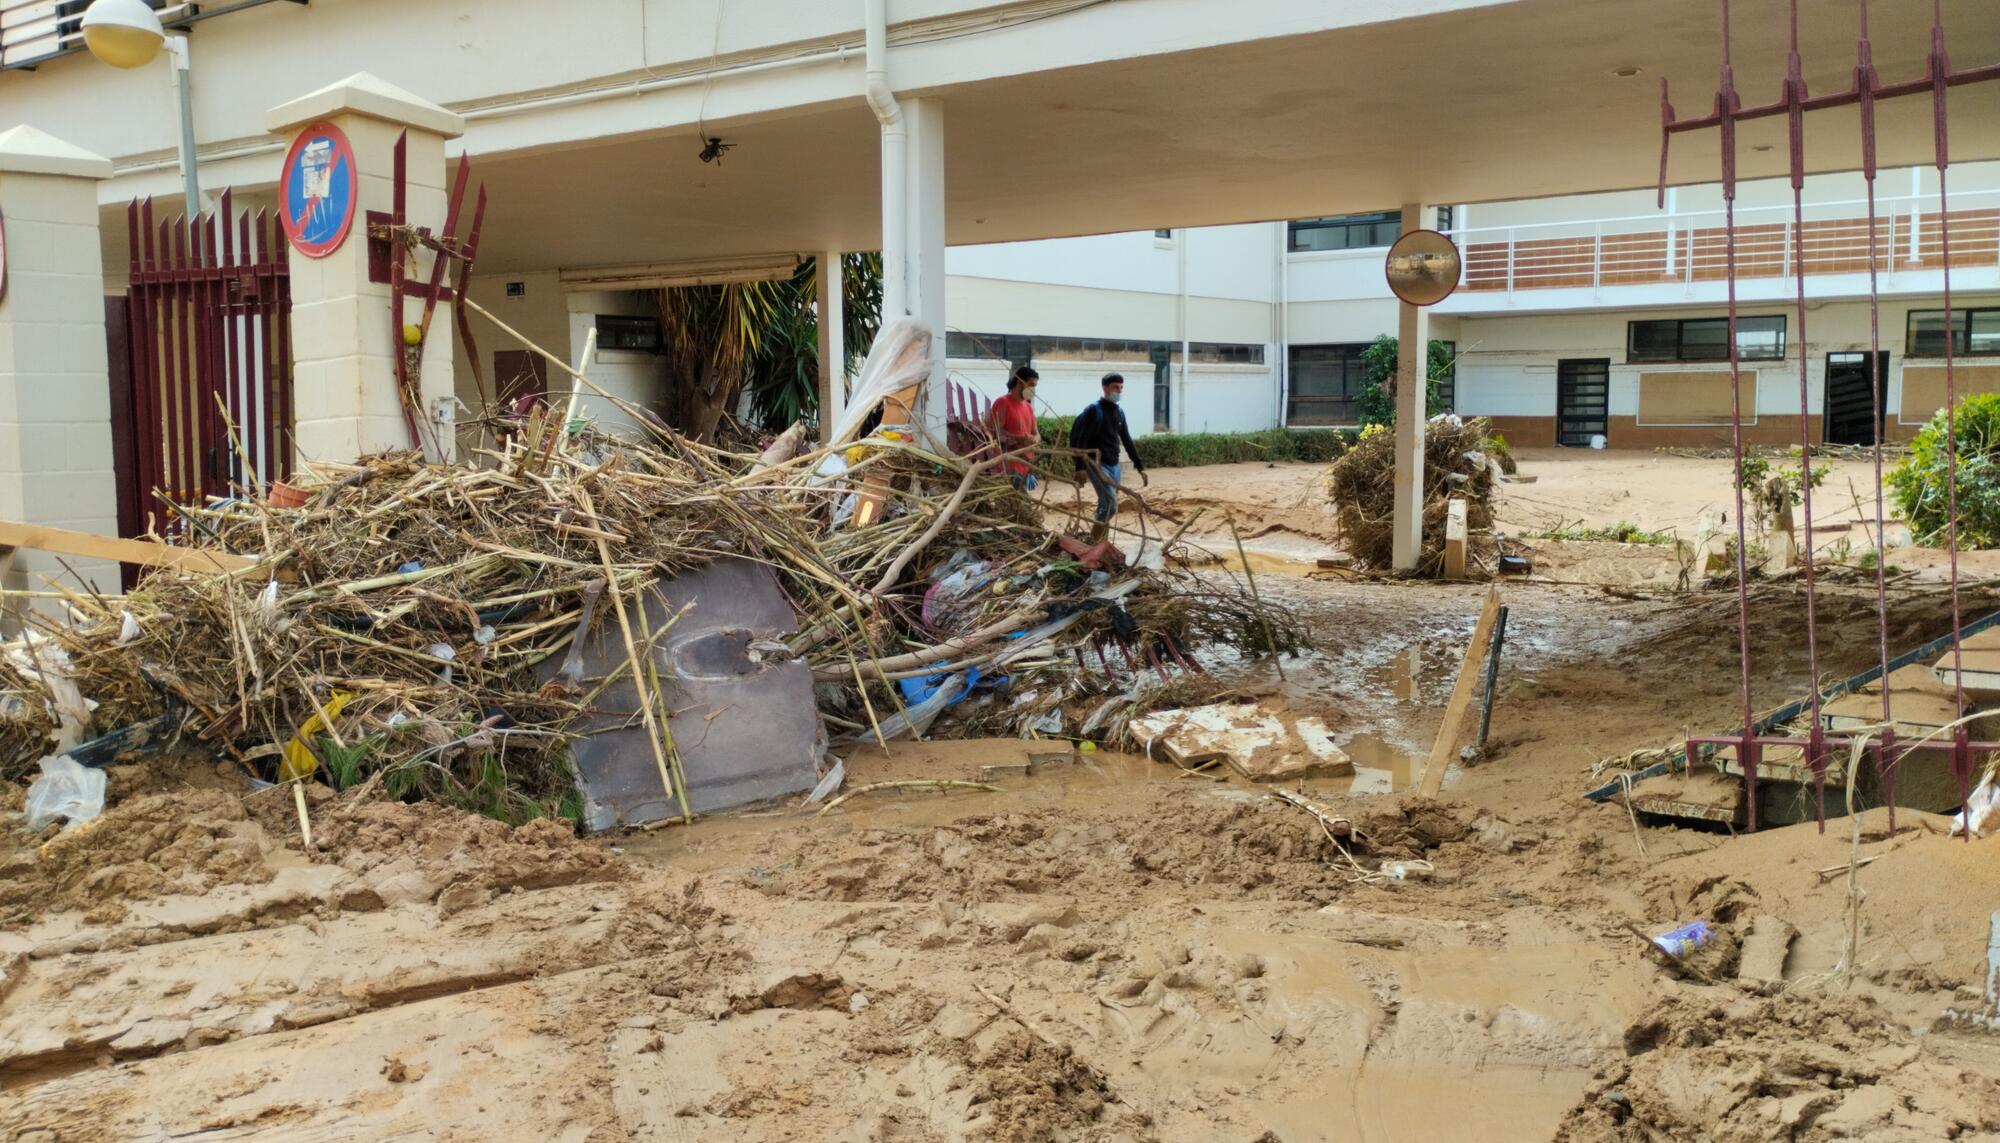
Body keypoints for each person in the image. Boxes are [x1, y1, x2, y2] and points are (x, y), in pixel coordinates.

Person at [1068, 372, 1147, 543]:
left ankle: (1101, 543)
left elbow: (1126, 439)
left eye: (1120, 388)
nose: (1118, 391)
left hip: (1114, 464)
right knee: (1111, 504)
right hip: (1096, 463)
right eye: (1115, 387)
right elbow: (1083, 439)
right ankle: (1094, 537)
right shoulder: (1093, 410)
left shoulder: (1119, 412)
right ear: (1105, 388)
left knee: (1105, 504)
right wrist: (1079, 468)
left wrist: (1140, 466)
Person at [987, 366, 1041, 492]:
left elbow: (1037, 433)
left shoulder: (1028, 407)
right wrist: (1020, 438)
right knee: (1021, 504)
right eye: (1031, 384)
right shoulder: (1002, 403)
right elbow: (995, 433)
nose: (1033, 389)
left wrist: (1034, 439)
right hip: (1009, 466)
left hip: (1025, 465)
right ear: (1019, 382)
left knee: (1018, 504)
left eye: (1035, 385)